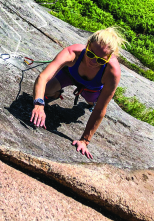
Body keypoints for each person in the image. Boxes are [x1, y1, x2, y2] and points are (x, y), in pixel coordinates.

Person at [30, 27, 126, 160]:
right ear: (87, 45)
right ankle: (56, 93)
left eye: (100, 60)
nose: (93, 62)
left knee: (92, 103)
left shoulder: (112, 72)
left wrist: (84, 140)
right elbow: (43, 77)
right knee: (45, 90)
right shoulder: (72, 52)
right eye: (91, 54)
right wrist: (39, 104)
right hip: (70, 74)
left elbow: (100, 109)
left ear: (109, 57)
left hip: (93, 88)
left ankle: (87, 103)